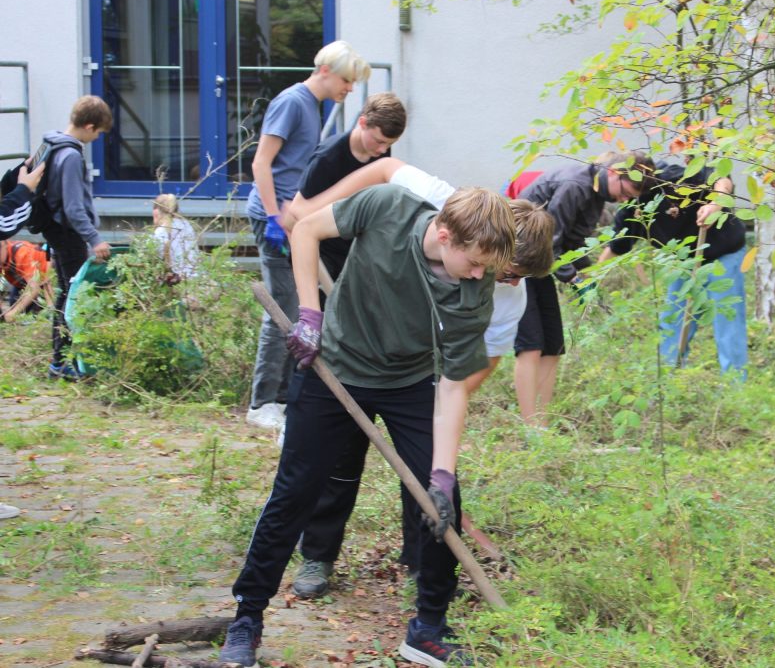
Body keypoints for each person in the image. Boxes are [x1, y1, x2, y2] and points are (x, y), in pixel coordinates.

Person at [217, 182, 516, 668]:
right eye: (475, 262)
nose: (480, 275)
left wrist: (442, 474)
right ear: (444, 234)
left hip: (410, 380)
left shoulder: (474, 288)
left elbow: (455, 383)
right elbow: (307, 229)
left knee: (441, 499)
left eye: (487, 267)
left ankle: (428, 628)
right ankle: (248, 617)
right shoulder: (388, 207)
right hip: (333, 366)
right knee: (295, 491)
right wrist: (309, 314)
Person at [283, 158, 553, 600]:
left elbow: (485, 359)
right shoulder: (446, 207)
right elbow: (386, 168)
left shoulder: (509, 297)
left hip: (423, 372)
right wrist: (317, 204)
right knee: (340, 462)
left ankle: (424, 566)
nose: (503, 280)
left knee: (432, 472)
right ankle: (319, 554)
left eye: (515, 276)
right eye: (505, 268)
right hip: (361, 339)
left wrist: (443, 404)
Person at [244, 40, 370, 431]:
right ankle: (261, 402)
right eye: (347, 81)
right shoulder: (292, 102)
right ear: (326, 71)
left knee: (301, 310)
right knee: (283, 309)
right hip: (275, 220)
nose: (349, 90)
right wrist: (271, 215)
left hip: (292, 220)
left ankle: (282, 397)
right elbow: (261, 162)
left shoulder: (313, 107)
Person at [513, 151, 654, 426]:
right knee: (530, 345)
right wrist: (573, 279)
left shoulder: (596, 194)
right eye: (626, 192)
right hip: (518, 262)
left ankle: (543, 424)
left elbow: (573, 243)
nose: (625, 200)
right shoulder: (575, 186)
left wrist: (587, 276)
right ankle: (529, 428)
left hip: (541, 264)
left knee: (553, 344)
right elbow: (550, 241)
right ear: (613, 172)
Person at [597, 158, 747, 377]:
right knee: (673, 320)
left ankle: (735, 385)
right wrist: (591, 282)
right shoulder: (631, 209)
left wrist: (716, 204)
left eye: (622, 191)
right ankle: (668, 382)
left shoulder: (673, 178)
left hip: (724, 253)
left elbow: (720, 177)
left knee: (727, 320)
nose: (619, 199)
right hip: (684, 262)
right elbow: (617, 248)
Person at [289, 92, 407, 284]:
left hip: (356, 251)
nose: (382, 151)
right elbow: (298, 210)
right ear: (362, 123)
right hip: (323, 253)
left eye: (389, 144)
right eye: (379, 141)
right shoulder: (328, 157)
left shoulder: (380, 153)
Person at [40, 95, 113, 381]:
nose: (96, 139)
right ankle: (63, 362)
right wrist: (94, 238)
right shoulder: (70, 155)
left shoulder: (54, 144)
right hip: (69, 235)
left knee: (65, 295)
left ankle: (61, 361)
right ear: (89, 125)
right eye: (98, 133)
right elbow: (73, 207)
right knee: (73, 299)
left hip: (58, 233)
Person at [151, 194, 200, 282]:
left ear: (156, 212)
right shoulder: (187, 225)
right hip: (197, 278)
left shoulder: (160, 232)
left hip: (177, 282)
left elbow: (154, 260)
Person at [1, 239, 51, 322]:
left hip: (43, 284)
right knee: (13, 306)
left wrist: (14, 312)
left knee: (22, 314)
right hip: (21, 285)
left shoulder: (23, 252)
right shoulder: (4, 256)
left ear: (5, 244)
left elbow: (34, 288)